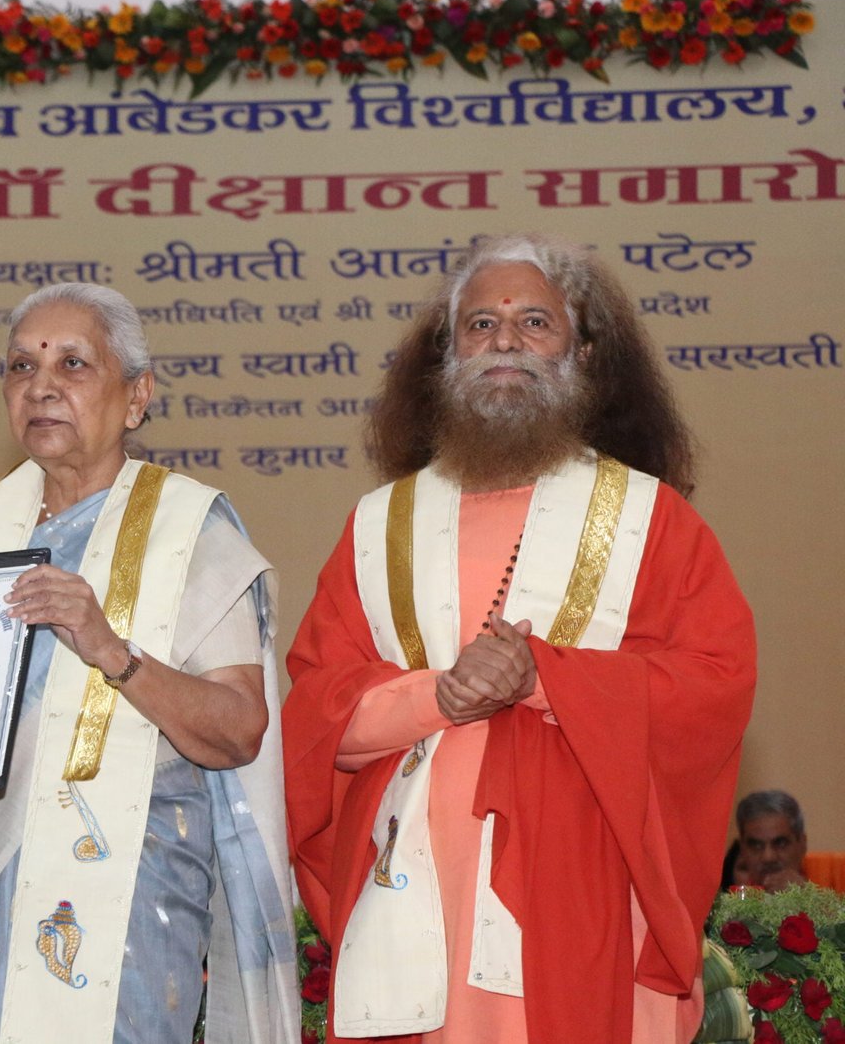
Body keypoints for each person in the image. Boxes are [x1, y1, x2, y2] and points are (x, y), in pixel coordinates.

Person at [283, 233, 756, 1044]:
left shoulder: (651, 522)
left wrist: (544, 677)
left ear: (584, 352)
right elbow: (315, 714)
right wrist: (438, 692)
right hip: (409, 905)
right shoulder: (379, 527)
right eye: (480, 324)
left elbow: (713, 687)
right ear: (446, 354)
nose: (505, 340)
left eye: (535, 322)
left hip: (583, 909)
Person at [0, 283, 297, 1044]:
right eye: (20, 366)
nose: (41, 386)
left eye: (72, 363)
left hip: (127, 906)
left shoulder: (191, 529)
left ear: (136, 396)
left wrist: (109, 647)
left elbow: (240, 728)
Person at [735, 790, 809, 892]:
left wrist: (805, 894)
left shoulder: (832, 895)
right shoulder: (722, 903)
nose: (768, 857)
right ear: (742, 849)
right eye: (756, 845)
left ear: (802, 845)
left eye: (780, 844)